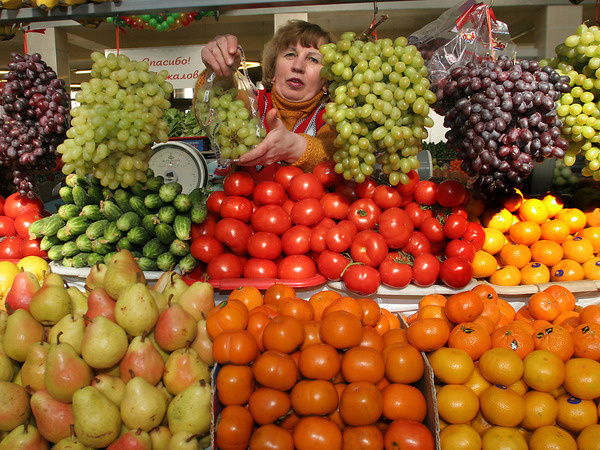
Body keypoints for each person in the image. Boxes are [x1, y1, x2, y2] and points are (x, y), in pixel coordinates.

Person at [200, 20, 337, 174]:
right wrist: (219, 74)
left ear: (327, 81)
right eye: (290, 54)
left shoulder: (332, 116)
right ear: (273, 69)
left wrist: (295, 147)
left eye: (313, 59)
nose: (298, 66)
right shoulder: (251, 103)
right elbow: (210, 115)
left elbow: (335, 155)